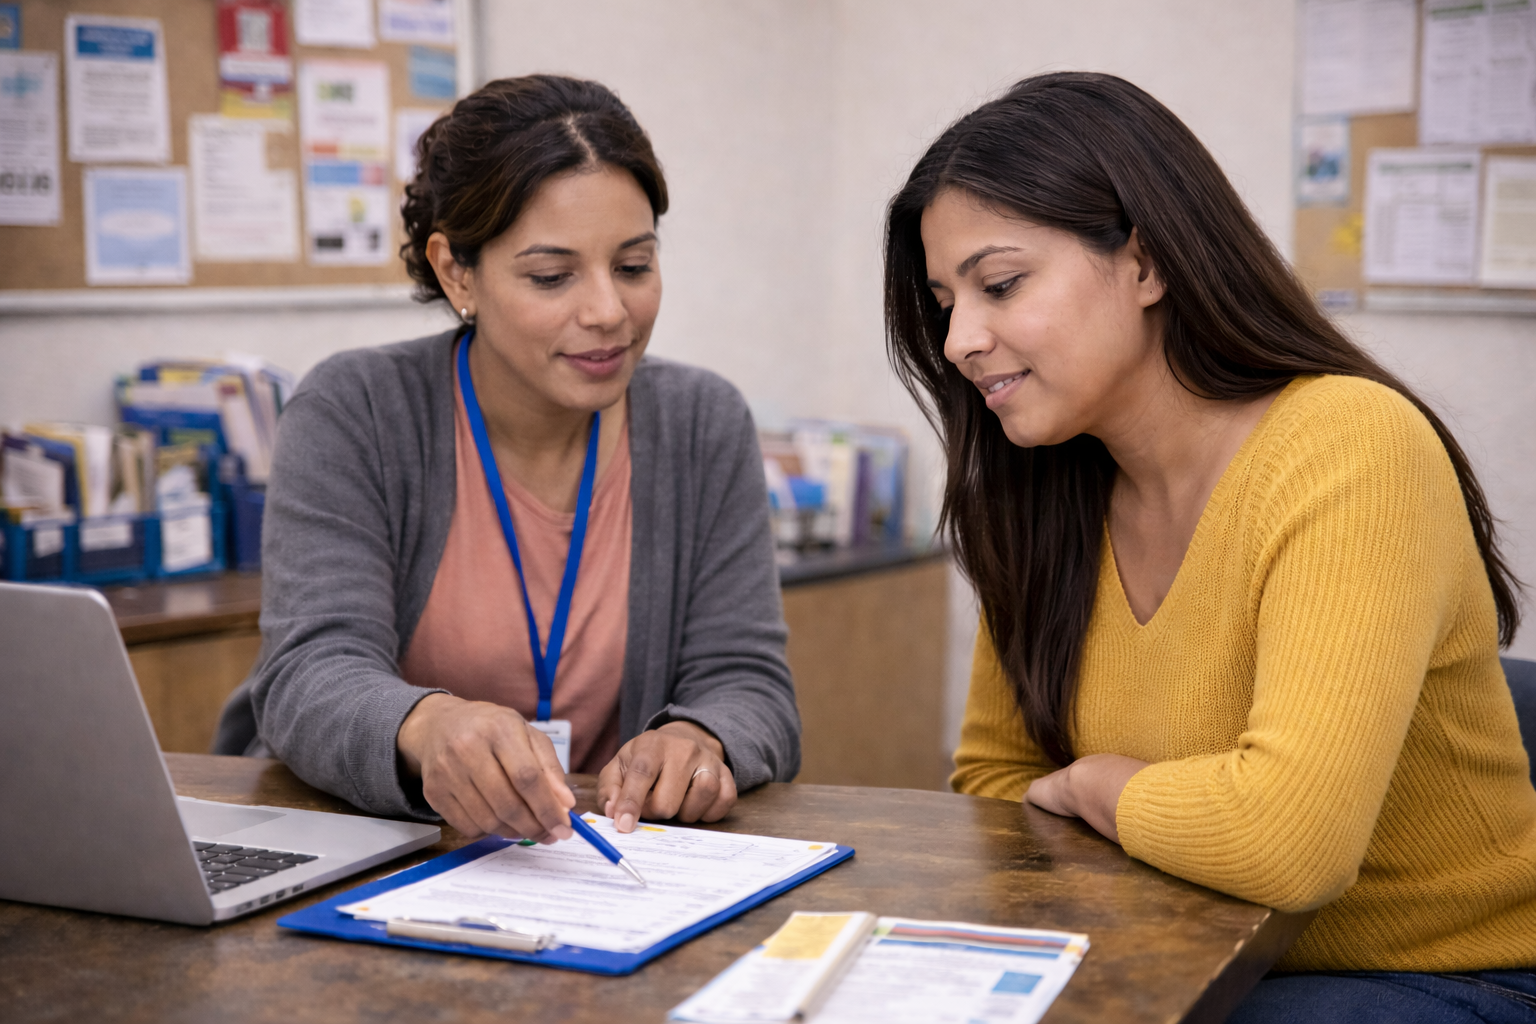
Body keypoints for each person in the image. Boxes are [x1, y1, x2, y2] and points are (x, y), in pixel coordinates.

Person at [884, 72, 1536, 1022]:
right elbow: (995, 785)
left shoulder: (1351, 447)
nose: (958, 341)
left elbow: (1288, 843)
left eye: (1000, 284)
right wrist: (1170, 815)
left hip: (1442, 976)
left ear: (1146, 266)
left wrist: (1103, 785)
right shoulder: (1041, 491)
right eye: (945, 301)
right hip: (1181, 950)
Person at [215, 74, 800, 847]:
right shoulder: (355, 409)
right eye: (551, 276)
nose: (607, 312)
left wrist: (702, 737)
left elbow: (749, 683)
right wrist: (428, 726)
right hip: (375, 856)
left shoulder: (702, 422)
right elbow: (308, 674)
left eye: (633, 266)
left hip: (592, 870)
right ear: (458, 271)